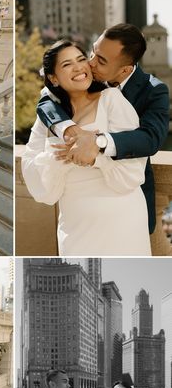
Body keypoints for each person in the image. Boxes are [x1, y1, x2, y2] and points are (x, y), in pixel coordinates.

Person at [36, 23, 170, 236]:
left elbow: (151, 139)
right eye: (93, 52)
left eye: (101, 60)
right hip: (80, 210)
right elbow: (45, 100)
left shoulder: (154, 90)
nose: (90, 63)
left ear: (125, 69)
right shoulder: (87, 78)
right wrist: (68, 128)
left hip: (128, 196)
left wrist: (97, 141)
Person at [22, 39, 152, 256]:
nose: (79, 67)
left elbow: (133, 170)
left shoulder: (111, 99)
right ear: (53, 78)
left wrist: (96, 157)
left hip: (123, 220)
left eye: (81, 59)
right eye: (66, 64)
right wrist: (60, 157)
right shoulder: (48, 117)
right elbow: (31, 169)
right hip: (75, 226)